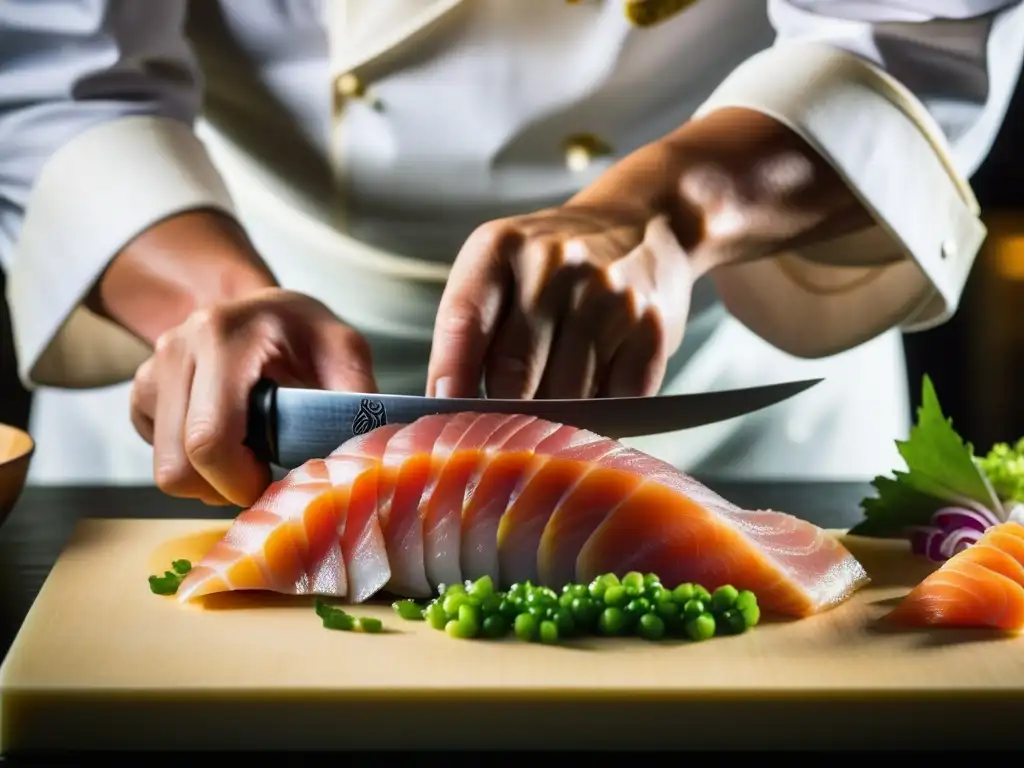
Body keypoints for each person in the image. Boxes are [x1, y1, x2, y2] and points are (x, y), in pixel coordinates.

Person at [1, 0, 1021, 508]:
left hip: (721, 344)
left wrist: (657, 218)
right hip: (223, 383)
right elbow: (53, 76)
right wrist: (209, 304)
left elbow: (914, 35)